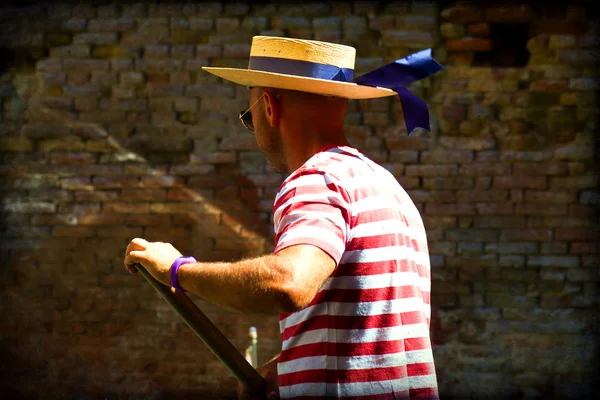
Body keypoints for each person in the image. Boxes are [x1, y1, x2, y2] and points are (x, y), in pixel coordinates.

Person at [125, 36, 442, 399]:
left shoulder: (315, 181)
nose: (254, 129)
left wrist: (176, 270)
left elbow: (289, 283)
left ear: (270, 107)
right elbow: (369, 321)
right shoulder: (385, 186)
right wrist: (287, 366)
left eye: (250, 117)